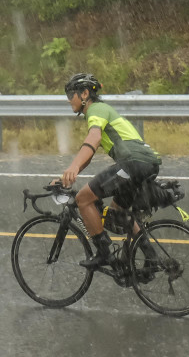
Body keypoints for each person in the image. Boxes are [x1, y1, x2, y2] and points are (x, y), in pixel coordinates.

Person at [55, 72, 162, 272]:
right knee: (118, 214)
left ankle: (104, 252)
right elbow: (88, 154)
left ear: (84, 94)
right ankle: (151, 259)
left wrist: (74, 167)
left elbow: (93, 138)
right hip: (146, 163)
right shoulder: (103, 110)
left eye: (71, 95)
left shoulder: (96, 109)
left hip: (133, 163)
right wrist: (67, 175)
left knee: (83, 199)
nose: (69, 100)